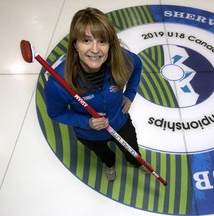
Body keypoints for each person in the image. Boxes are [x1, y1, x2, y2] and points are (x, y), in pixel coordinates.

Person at [44, 7, 149, 181]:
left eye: (102, 41)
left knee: (131, 148)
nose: (95, 49)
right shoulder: (57, 83)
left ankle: (135, 161)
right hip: (89, 134)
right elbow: (56, 113)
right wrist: (87, 122)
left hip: (120, 121)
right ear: (75, 45)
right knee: (103, 154)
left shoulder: (122, 59)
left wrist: (129, 94)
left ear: (110, 44)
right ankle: (109, 163)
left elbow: (137, 66)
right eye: (86, 40)